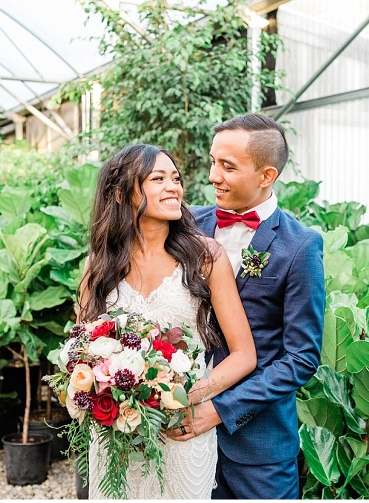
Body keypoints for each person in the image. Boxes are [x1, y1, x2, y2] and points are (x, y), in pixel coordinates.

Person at [78, 144, 257, 499]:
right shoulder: (98, 264)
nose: (173, 187)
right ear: (120, 193)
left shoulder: (206, 257)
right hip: (118, 432)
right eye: (158, 179)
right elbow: (83, 349)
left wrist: (183, 397)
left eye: (175, 178)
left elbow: (244, 355)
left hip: (182, 430)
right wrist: (106, 392)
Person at [169, 114, 325, 499]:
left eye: (227, 166)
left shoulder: (300, 246)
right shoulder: (188, 224)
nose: (212, 176)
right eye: (212, 162)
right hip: (178, 433)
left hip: (260, 452)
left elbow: (301, 358)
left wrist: (219, 409)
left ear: (266, 175)